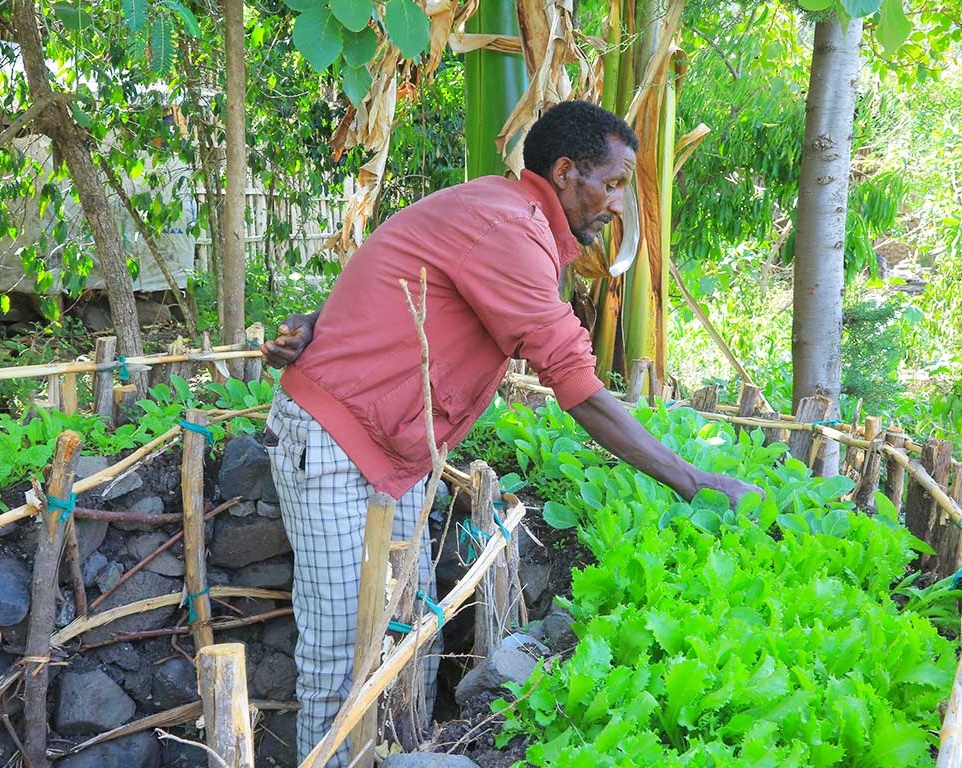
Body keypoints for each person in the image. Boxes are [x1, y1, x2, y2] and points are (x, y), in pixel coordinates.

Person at [261, 100, 761, 766]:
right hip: (334, 439)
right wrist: (695, 482)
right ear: (566, 172)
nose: (619, 204)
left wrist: (318, 321)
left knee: (405, 636)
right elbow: (576, 385)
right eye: (613, 183)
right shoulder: (510, 228)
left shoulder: (508, 217)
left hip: (395, 453)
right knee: (338, 653)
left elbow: (396, 285)